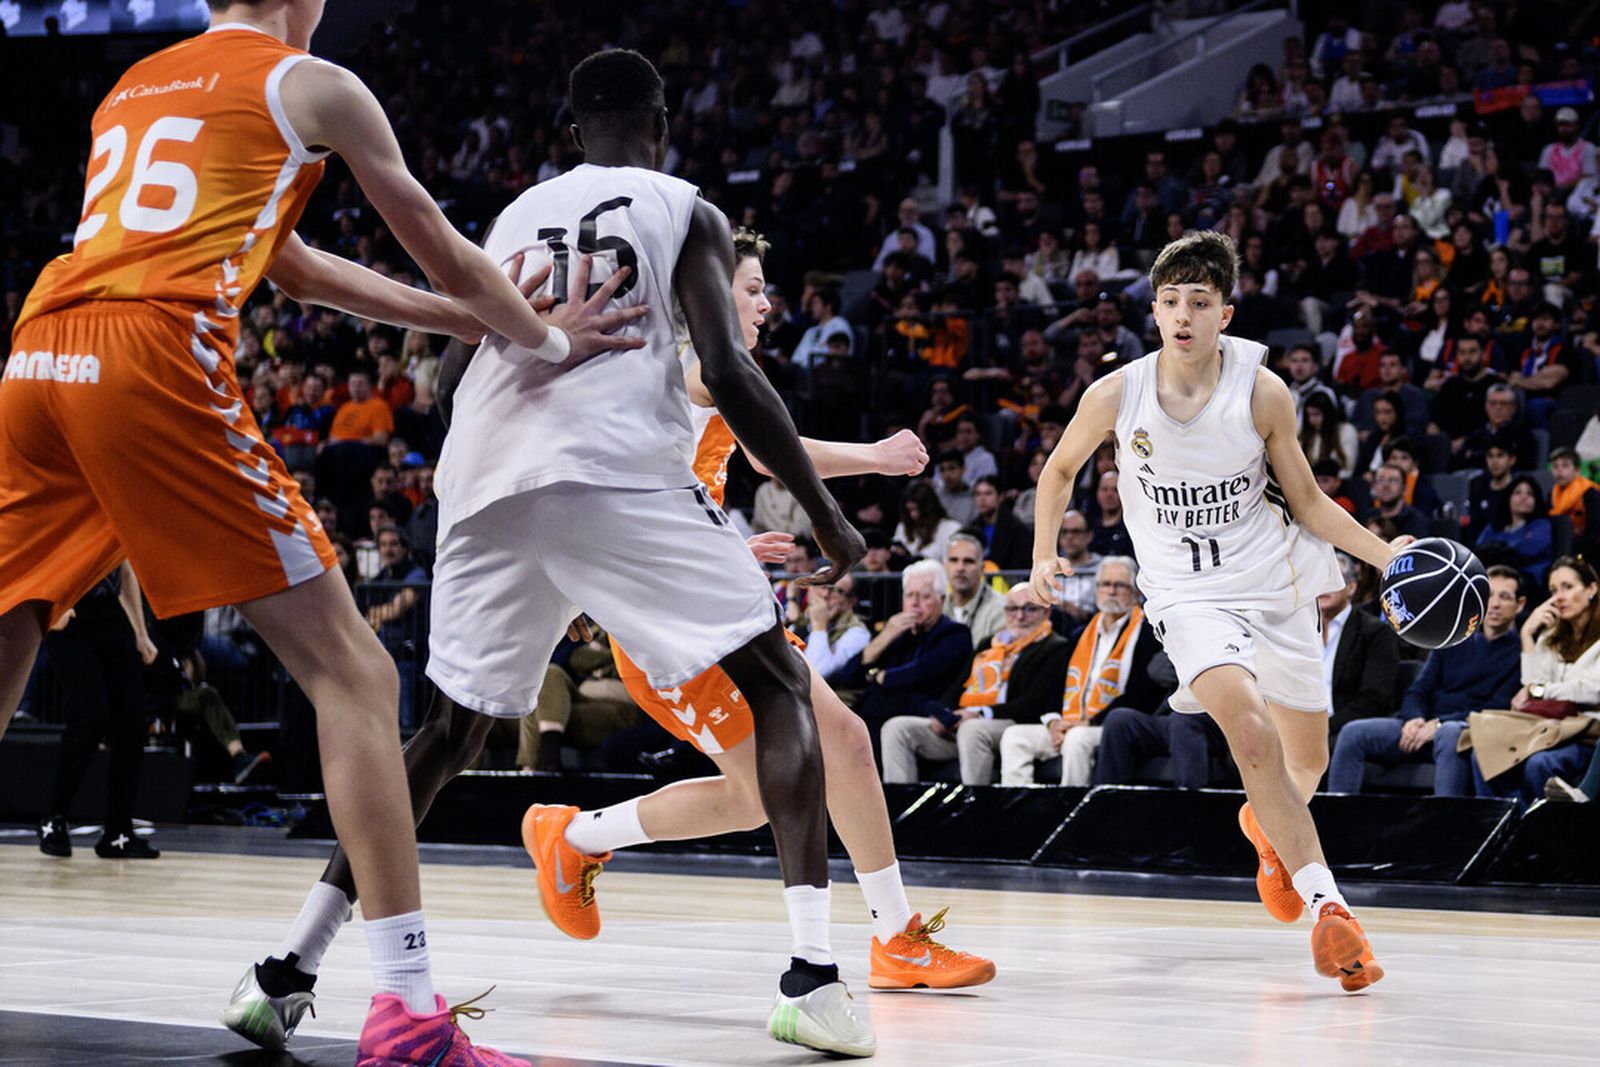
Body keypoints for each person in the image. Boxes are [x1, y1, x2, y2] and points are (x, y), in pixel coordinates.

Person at [0, 3, 637, 1062]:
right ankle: (406, 1008)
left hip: (40, 348)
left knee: (10, 636)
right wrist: (545, 334)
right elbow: (432, 234)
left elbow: (287, 264)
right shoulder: (314, 84)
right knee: (354, 674)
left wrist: (462, 320)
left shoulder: (141, 79)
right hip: (152, 353)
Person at [1030, 231, 1404, 991]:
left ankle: (1267, 830)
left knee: (1306, 760)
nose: (1183, 315)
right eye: (1170, 301)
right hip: (1186, 593)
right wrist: (1042, 551)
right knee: (1249, 731)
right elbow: (1060, 468)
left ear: (1225, 312)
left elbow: (1306, 501)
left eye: (1199, 302)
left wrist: (1383, 554)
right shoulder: (1117, 392)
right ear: (1155, 309)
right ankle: (1333, 909)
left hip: (1275, 578)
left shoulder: (1263, 391)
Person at [1329, 566, 1523, 796]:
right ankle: (1338, 821)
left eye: (1505, 597)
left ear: (1519, 605)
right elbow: (1418, 690)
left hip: (1464, 730)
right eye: (1489, 595)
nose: (1495, 604)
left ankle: (1445, 826)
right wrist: (1415, 718)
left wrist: (1438, 724)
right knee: (1354, 732)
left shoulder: (1519, 652)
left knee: (1450, 733)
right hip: (1422, 725)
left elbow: (1496, 708)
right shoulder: (1455, 638)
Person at [34, 561, 161, 859]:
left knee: (132, 723)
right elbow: (50, 552)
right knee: (89, 717)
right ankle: (54, 817)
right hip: (72, 613)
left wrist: (141, 633)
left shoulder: (119, 518)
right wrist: (54, 604)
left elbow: (127, 571)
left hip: (112, 615)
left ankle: (118, 831)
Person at [998, 556, 1162, 785]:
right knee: (1015, 737)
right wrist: (1054, 722)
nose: (1111, 591)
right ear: (1096, 591)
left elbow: (1142, 694)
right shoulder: (1080, 635)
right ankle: (1019, 815)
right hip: (1070, 722)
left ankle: (1070, 813)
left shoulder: (1147, 635)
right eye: (1105, 584)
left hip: (1106, 727)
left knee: (1077, 739)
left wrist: (1090, 721)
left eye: (1120, 585)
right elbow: (1057, 685)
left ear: (1135, 594)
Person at [882, 585, 1068, 784]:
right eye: (1012, 609)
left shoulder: (1055, 647)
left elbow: (1034, 703)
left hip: (1012, 724)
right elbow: (958, 686)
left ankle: (974, 811)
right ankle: (898, 810)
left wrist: (980, 713)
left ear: (1046, 612)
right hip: (965, 723)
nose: (1019, 616)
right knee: (897, 728)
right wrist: (944, 714)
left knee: (973, 729)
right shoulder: (989, 644)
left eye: (1029, 609)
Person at [1471, 557, 1600, 803]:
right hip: (1546, 726)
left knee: (1538, 764)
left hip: (1585, 732)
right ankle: (1503, 827)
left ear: (1591, 589)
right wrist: (1527, 633)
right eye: (1553, 590)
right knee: (1484, 749)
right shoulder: (1551, 636)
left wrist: (1542, 690)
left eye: (1567, 587)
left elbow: (1592, 691)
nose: (1558, 597)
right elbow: (1531, 684)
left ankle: (1535, 832)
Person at [1320, 553, 1401, 741]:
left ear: (1351, 587)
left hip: (1343, 730)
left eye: (1332, 579)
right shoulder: (1300, 630)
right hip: (1297, 725)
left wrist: (1322, 727)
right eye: (1318, 579)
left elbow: (1374, 700)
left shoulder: (1375, 632)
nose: (1323, 586)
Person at [1475, 475, 1555, 585]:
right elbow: (1479, 549)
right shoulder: (1495, 526)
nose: (1524, 497)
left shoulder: (1542, 525)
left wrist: (1498, 549)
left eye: (1530, 494)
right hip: (1492, 575)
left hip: (1527, 579)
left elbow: (1524, 552)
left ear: (1536, 500)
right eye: (1517, 493)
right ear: (1508, 498)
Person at [943, 532, 1006, 648]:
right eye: (954, 560)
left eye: (968, 561)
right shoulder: (936, 606)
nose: (960, 568)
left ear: (982, 569)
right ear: (945, 566)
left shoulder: (1001, 608)